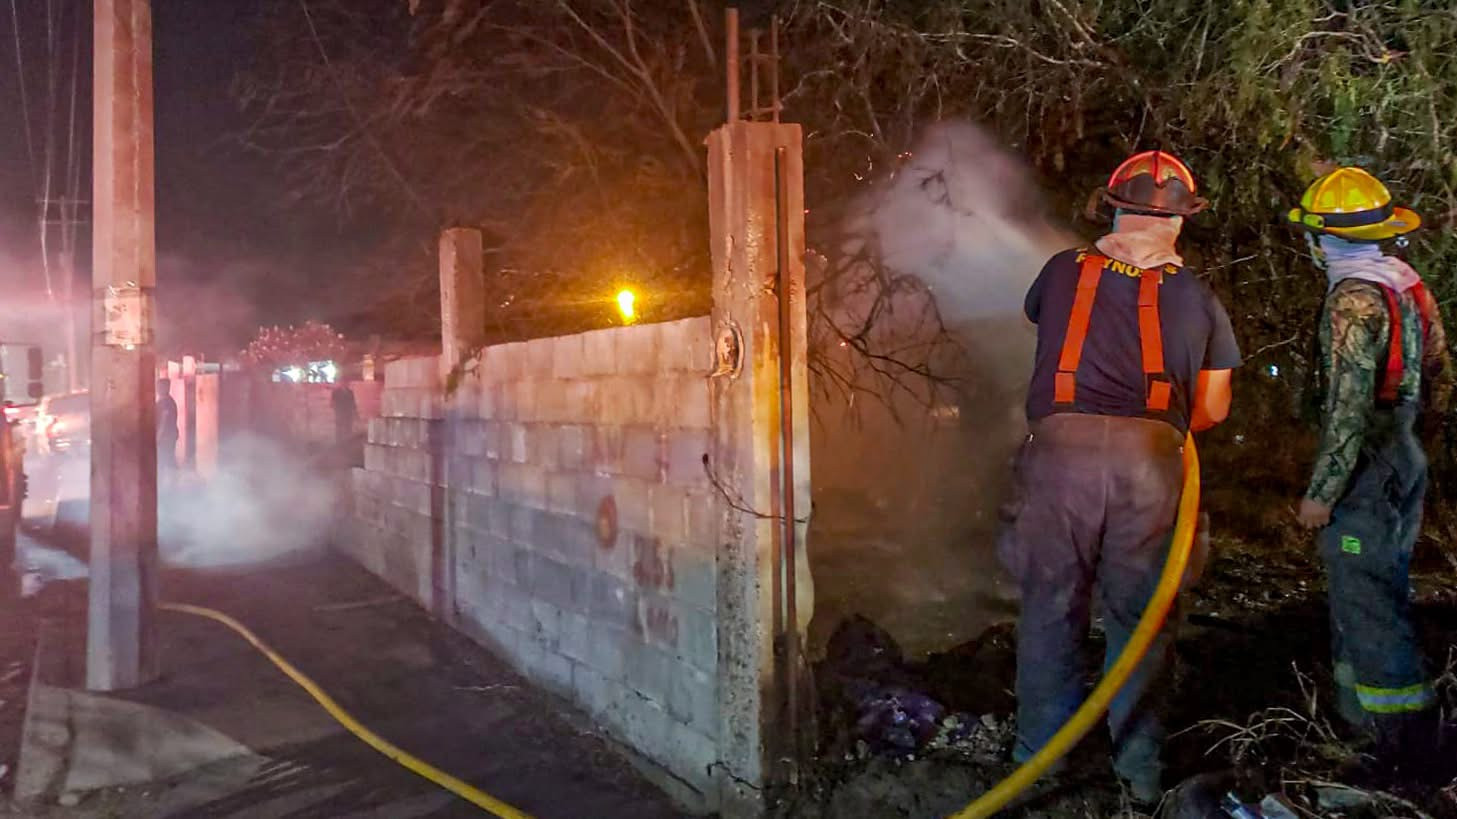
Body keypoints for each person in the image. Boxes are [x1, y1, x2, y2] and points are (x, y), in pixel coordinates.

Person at [1000, 150, 1241, 803]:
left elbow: (1040, 322)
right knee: (1141, 615)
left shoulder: (1060, 272)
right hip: (1150, 467)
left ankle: (1038, 762)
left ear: (1112, 205)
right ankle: (1138, 770)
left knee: (1050, 605)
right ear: (1180, 222)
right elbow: (1213, 409)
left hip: (1057, 460)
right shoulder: (1196, 297)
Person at [1287, 167, 1453, 771]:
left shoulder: (1352, 298)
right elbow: (1440, 379)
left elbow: (1348, 405)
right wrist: (1412, 452)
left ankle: (1404, 748)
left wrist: (1322, 493)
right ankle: (1357, 725)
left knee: (1368, 601)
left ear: (1322, 238)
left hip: (1367, 465)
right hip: (1403, 455)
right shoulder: (1408, 285)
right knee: (1373, 587)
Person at [156, 378, 179, 478]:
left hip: (165, 437)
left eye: (160, 387)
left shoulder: (165, 403)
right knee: (169, 458)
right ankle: (173, 481)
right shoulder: (168, 401)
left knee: (165, 460)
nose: (158, 389)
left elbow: (163, 422)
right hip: (169, 436)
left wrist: (158, 437)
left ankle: (169, 484)